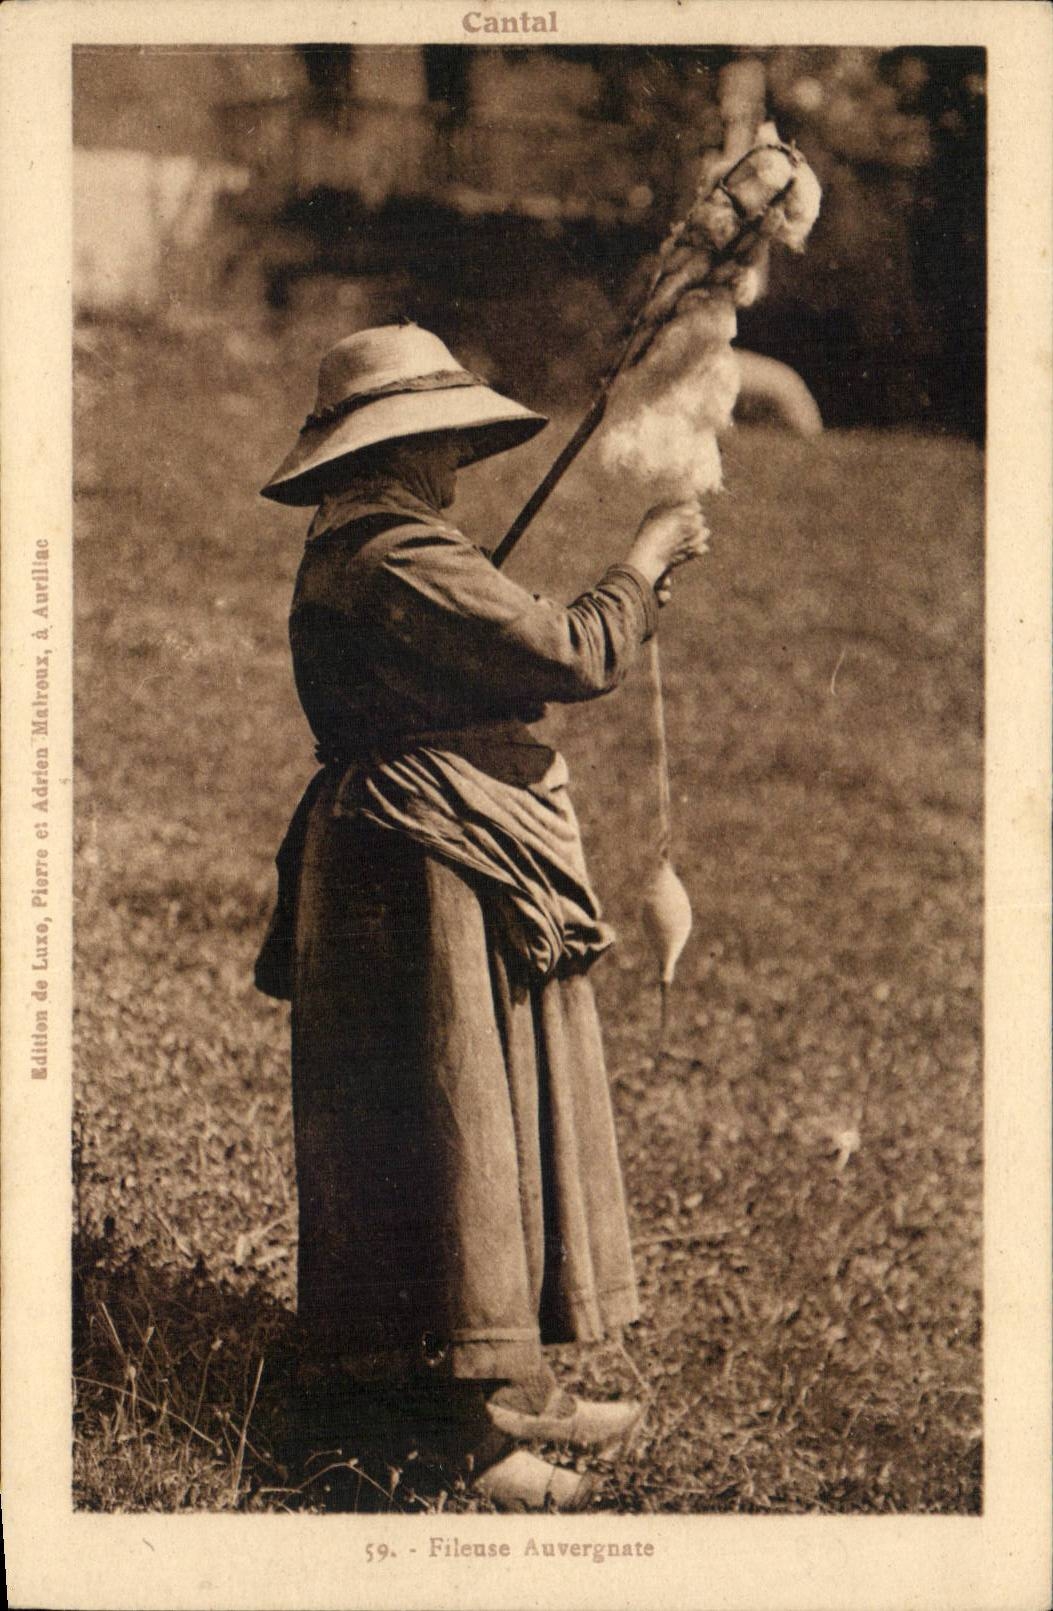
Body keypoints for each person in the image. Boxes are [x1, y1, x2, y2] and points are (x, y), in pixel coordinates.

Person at [255, 323, 709, 1510]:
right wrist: (645, 558)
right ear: (399, 448)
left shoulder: (370, 546)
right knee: (445, 1137)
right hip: (416, 866)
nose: (458, 456)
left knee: (473, 1121)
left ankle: (498, 1388)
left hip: (422, 852)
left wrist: (621, 593)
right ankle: (456, 1440)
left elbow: (498, 656)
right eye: (444, 435)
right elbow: (568, 653)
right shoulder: (398, 554)